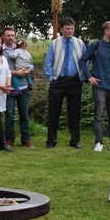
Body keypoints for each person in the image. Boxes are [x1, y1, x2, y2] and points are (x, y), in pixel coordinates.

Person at [79, 21, 110, 151]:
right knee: (98, 116)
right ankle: (99, 142)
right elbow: (82, 60)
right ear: (106, 31)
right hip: (99, 86)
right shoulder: (96, 45)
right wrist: (89, 76)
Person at [44, 17, 86, 148]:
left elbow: (85, 62)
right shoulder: (55, 43)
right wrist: (51, 78)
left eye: (72, 28)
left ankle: (75, 140)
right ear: (61, 29)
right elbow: (48, 62)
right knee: (53, 113)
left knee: (74, 113)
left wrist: (82, 78)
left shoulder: (80, 43)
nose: (70, 31)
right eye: (67, 28)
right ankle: (51, 140)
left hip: (75, 82)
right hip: (58, 82)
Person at [1, 27, 33, 148]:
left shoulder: (20, 48)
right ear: (3, 36)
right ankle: (9, 139)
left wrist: (28, 70)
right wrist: (16, 73)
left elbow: (30, 63)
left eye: (12, 35)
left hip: (23, 86)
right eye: (8, 35)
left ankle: (26, 139)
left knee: (24, 114)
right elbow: (0, 70)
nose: (11, 38)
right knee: (9, 114)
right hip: (8, 87)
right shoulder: (0, 51)